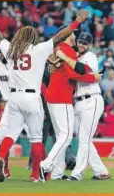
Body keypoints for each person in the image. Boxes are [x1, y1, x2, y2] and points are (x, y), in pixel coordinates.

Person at [0, 9, 90, 183]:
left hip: (14, 97)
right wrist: (77, 22)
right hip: (32, 97)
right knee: (36, 137)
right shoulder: (39, 49)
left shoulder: (10, 49)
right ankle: (34, 175)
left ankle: (2, 158)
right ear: (33, 37)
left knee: (9, 134)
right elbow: (59, 36)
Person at [39, 28, 102, 181]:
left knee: (65, 136)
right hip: (63, 98)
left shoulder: (62, 50)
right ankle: (46, 165)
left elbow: (79, 69)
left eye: (84, 42)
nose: (78, 40)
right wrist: (92, 77)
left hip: (61, 98)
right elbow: (74, 73)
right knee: (66, 136)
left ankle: (57, 173)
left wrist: (85, 69)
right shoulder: (67, 50)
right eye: (76, 37)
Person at [55, 32, 111, 181]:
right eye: (80, 42)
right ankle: (101, 171)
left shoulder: (90, 56)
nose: (81, 45)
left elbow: (80, 70)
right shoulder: (75, 56)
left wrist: (64, 57)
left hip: (91, 101)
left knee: (84, 138)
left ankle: (77, 174)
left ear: (91, 46)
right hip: (78, 102)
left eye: (85, 43)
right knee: (84, 139)